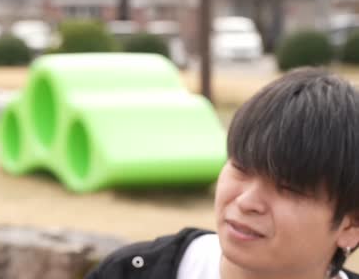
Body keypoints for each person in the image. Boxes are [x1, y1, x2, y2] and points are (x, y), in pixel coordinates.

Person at [87, 68, 359, 279]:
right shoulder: (131, 273)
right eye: (241, 169)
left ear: (350, 226)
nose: (246, 202)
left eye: (288, 188)